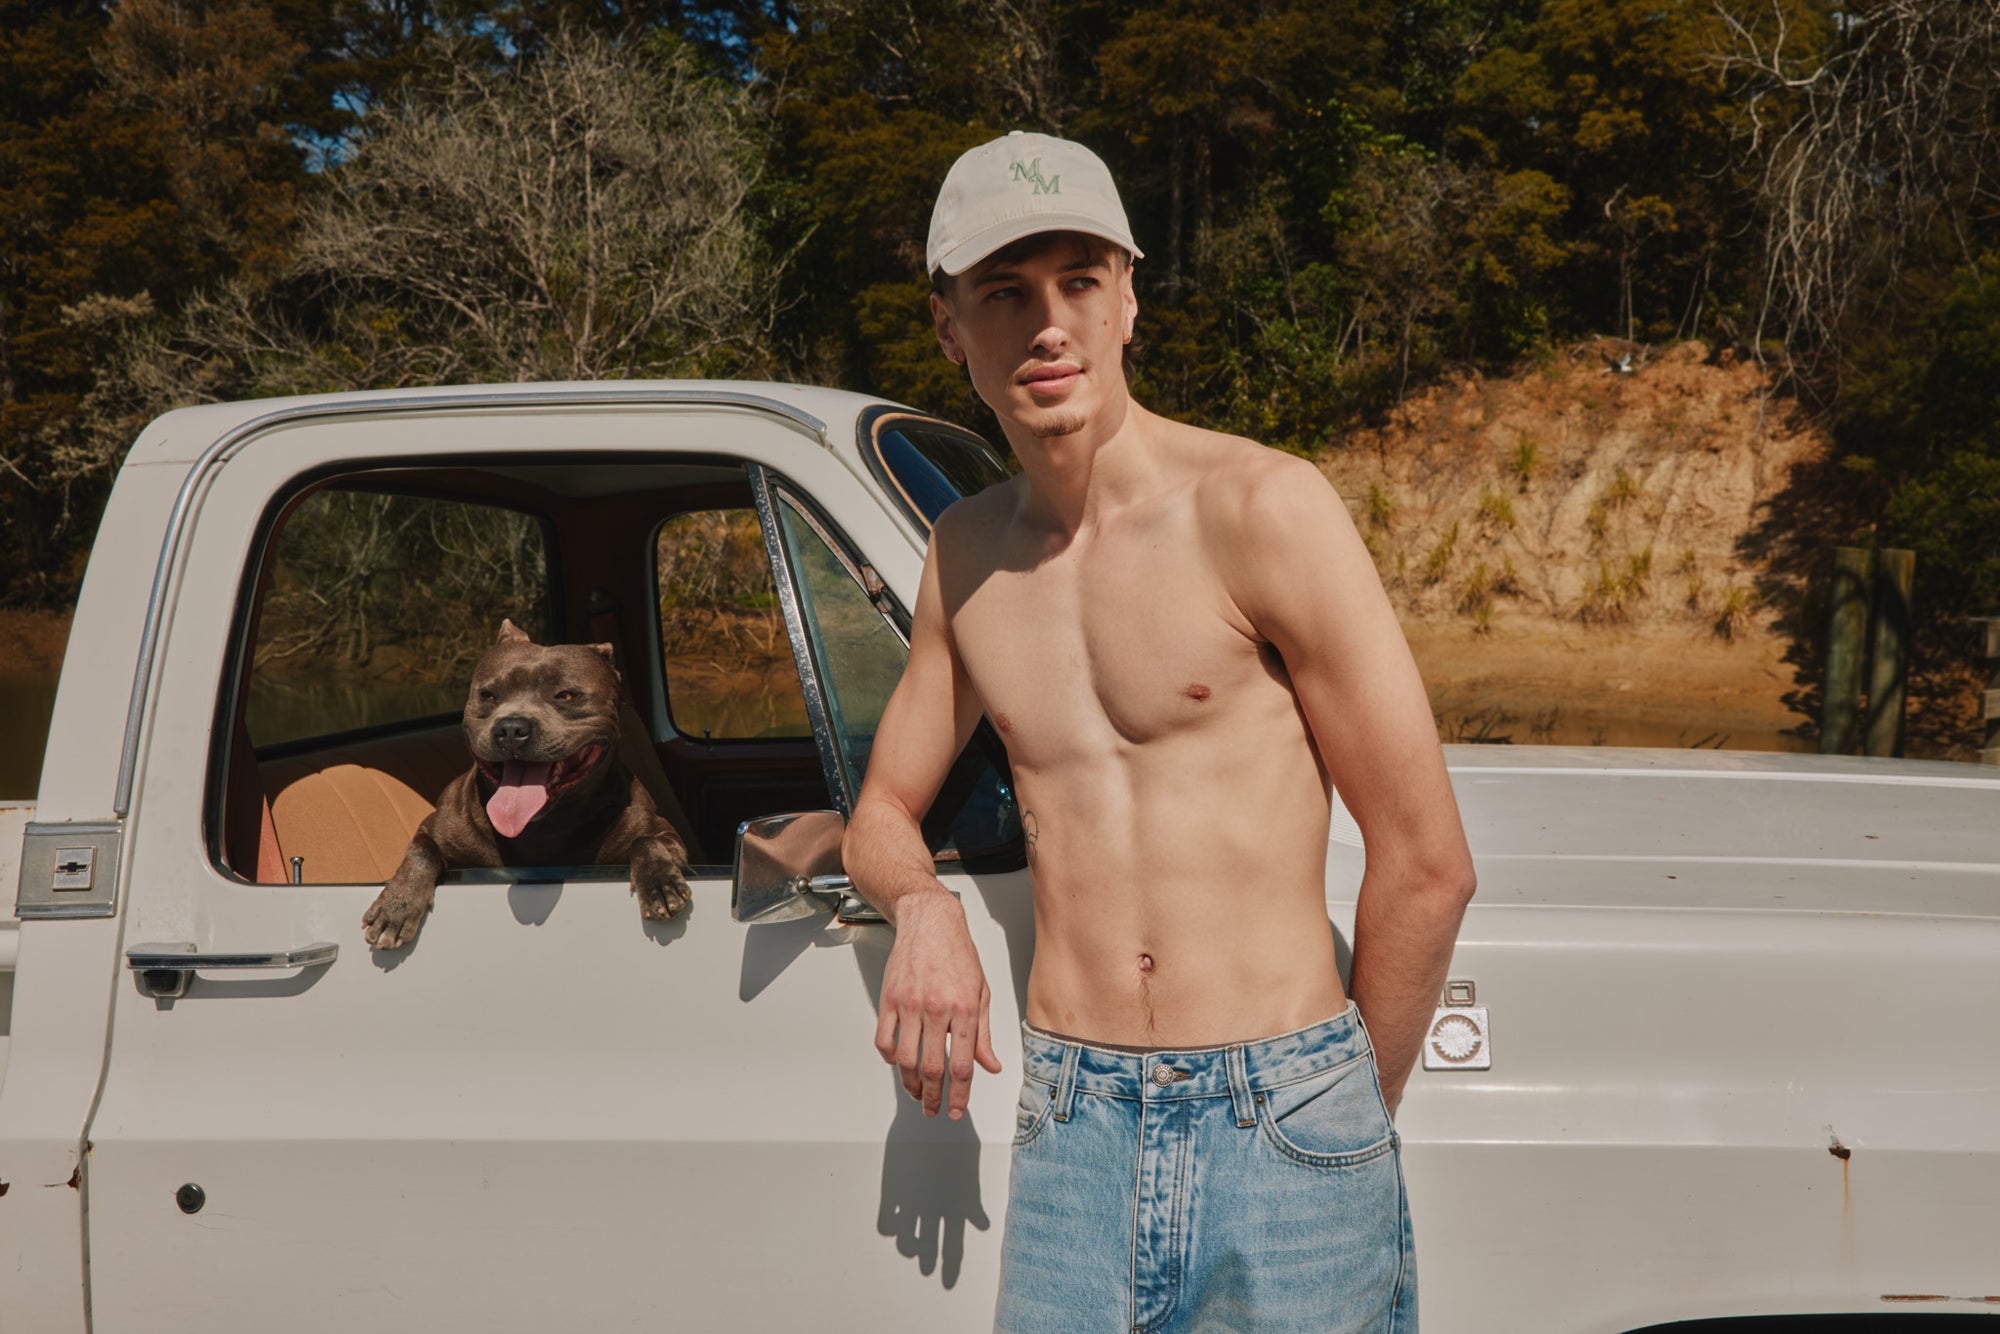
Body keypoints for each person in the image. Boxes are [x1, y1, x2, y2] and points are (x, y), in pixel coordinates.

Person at [841, 130, 1476, 1334]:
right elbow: (880, 813)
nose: (1048, 326)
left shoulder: (1260, 508)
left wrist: (1340, 1112)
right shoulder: (962, 555)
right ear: (946, 327)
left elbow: (1426, 863)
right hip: (1070, 1116)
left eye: (1079, 281)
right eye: (1003, 293)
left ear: (1127, 299)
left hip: (1283, 1103)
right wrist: (919, 908)